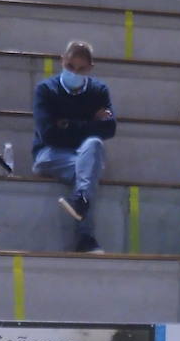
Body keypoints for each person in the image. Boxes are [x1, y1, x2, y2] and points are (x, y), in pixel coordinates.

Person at [31, 41, 116, 254]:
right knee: (89, 163)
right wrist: (90, 124)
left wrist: (67, 124)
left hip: (82, 155)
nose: (74, 72)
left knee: (94, 145)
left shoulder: (99, 91)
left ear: (90, 69)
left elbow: (109, 129)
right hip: (49, 154)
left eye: (81, 69)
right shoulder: (46, 90)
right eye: (70, 66)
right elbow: (49, 134)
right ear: (62, 61)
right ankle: (85, 237)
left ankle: (81, 200)